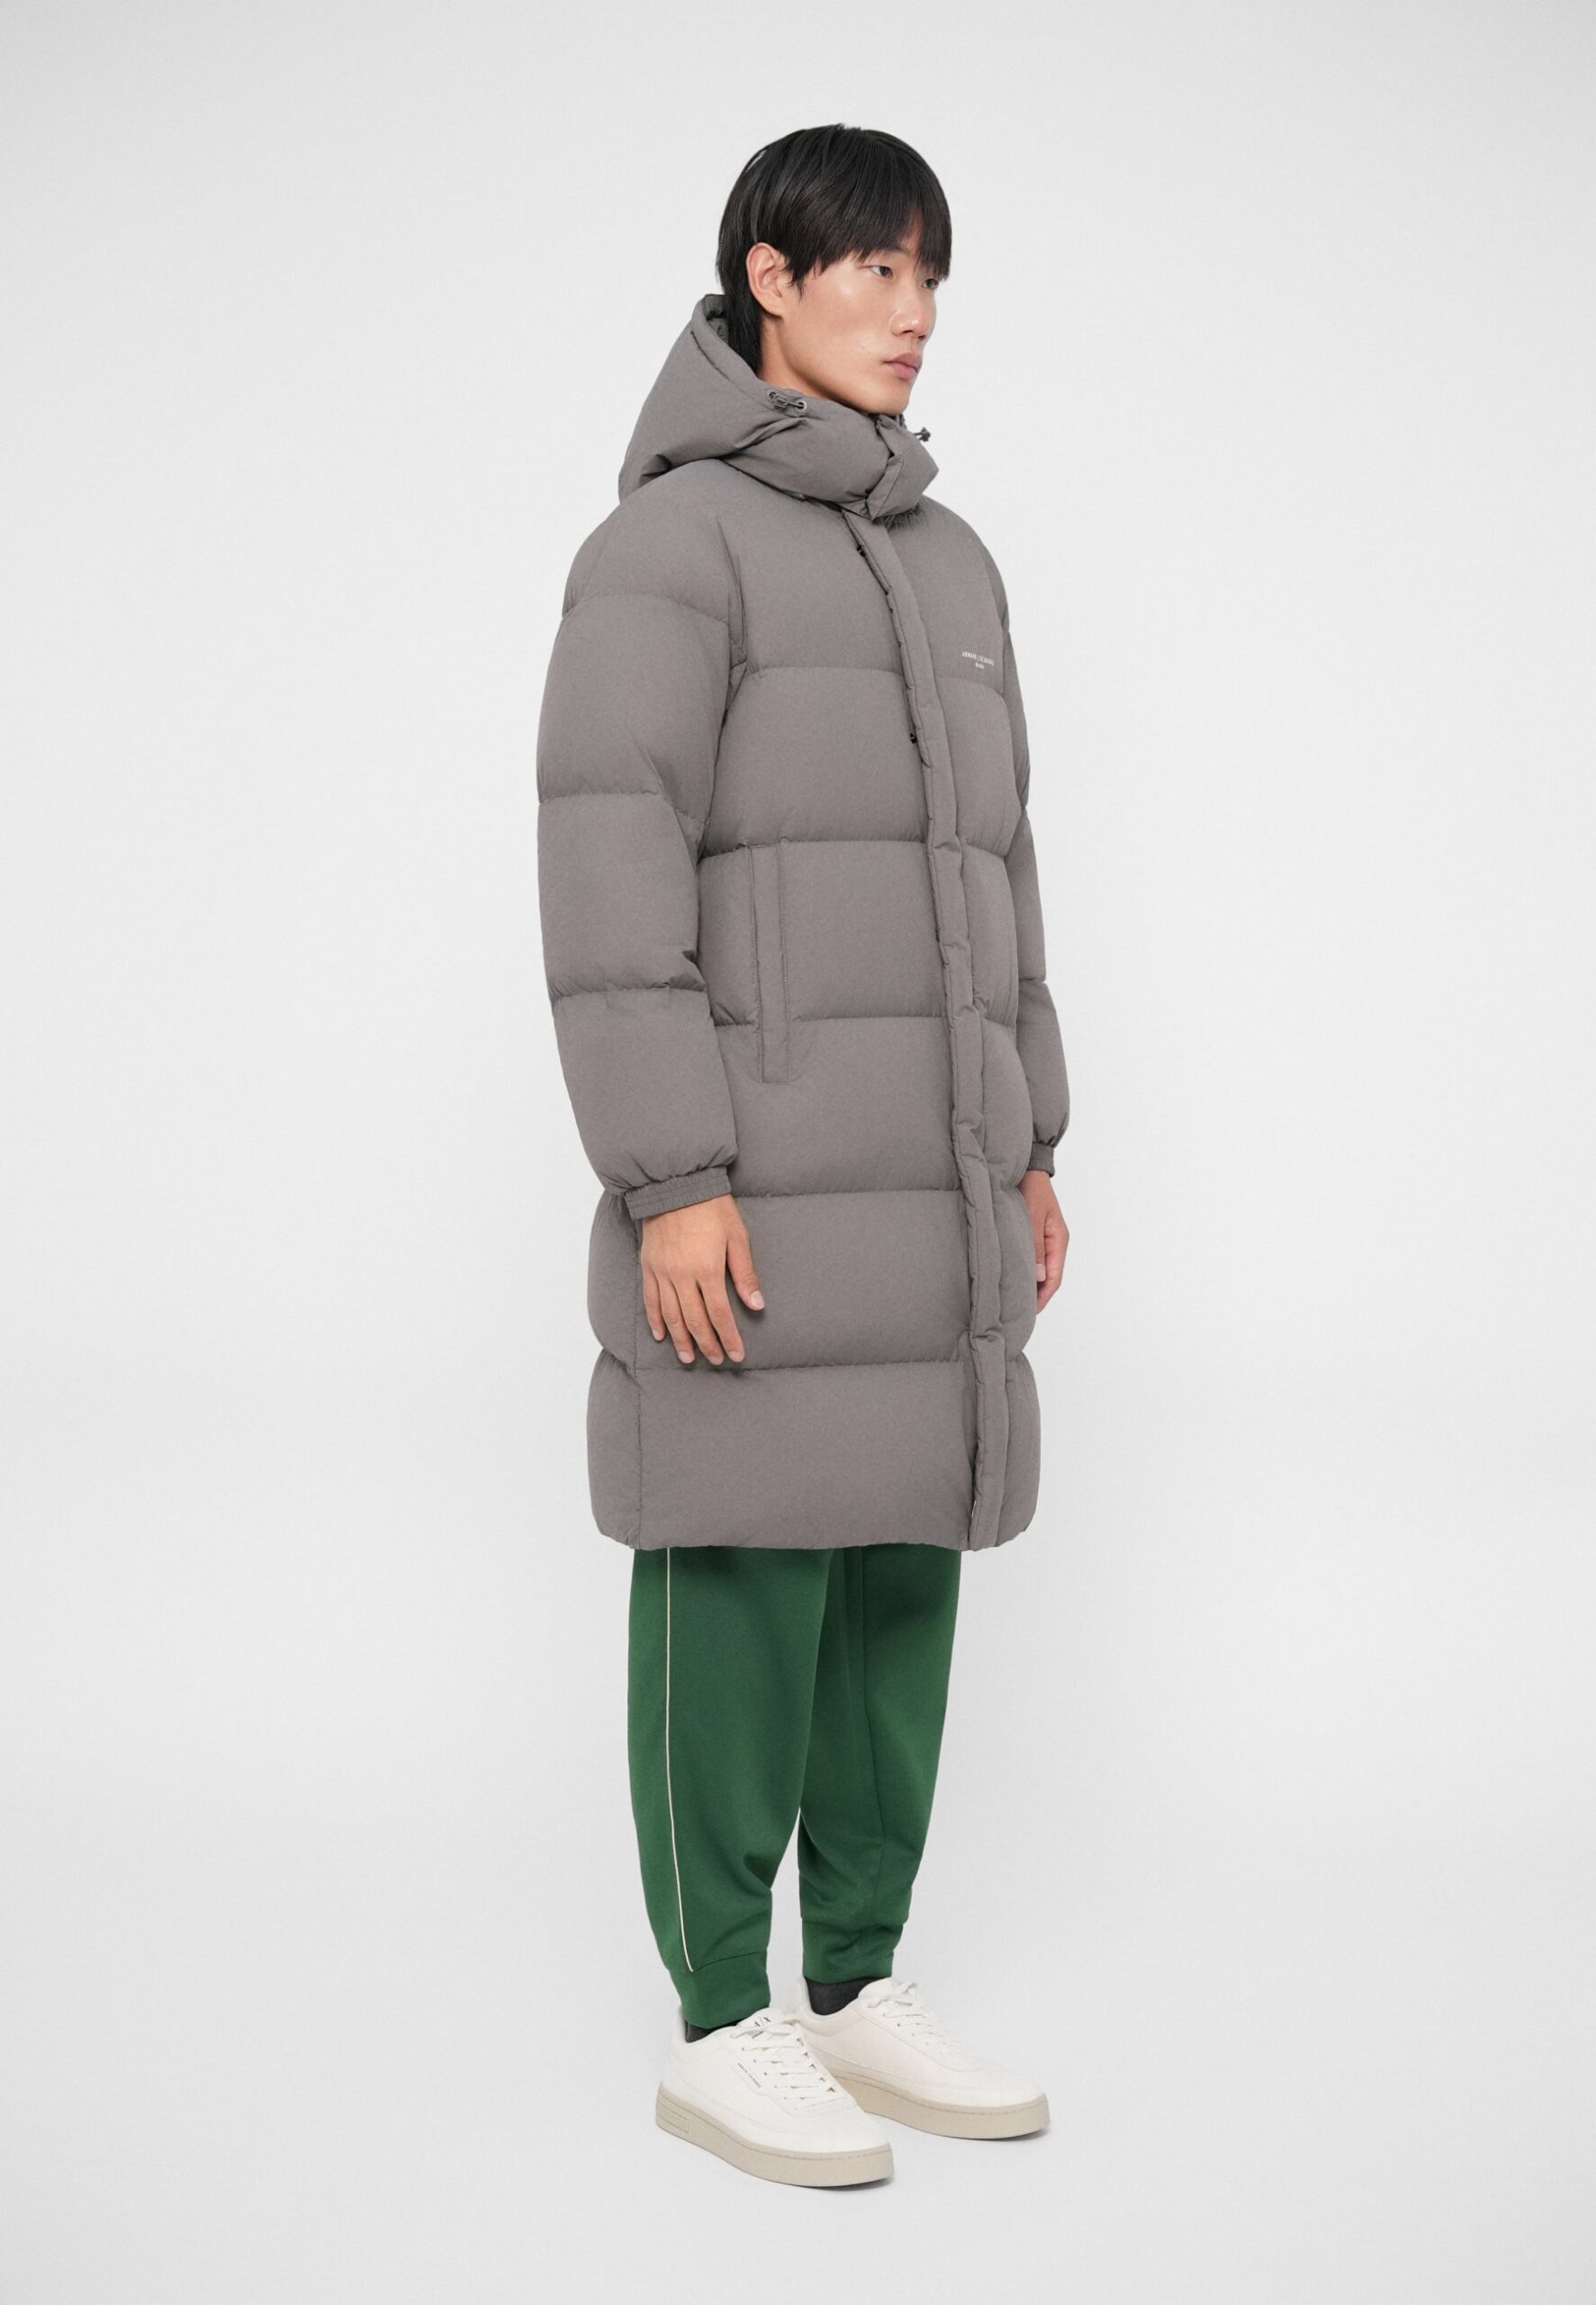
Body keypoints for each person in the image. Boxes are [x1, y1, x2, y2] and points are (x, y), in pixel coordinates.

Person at [536, 122, 1071, 2187]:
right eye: (874, 271)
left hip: (931, 1179)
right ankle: (717, 2017)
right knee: (740, 1573)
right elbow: (608, 874)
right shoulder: (666, 551)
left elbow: (1000, 869)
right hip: (751, 1186)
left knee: (897, 1580)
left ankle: (851, 1981)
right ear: (769, 275)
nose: (913, 313)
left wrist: (1028, 1134)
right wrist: (670, 1170)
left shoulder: (952, 562)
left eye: (930, 277)